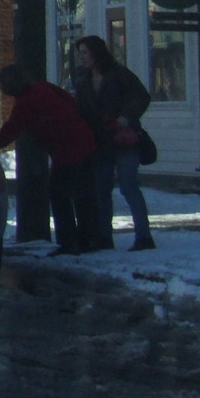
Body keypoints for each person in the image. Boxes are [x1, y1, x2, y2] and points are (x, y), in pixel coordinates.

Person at [0, 65, 103, 256]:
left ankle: (68, 242)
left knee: (59, 195)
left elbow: (9, 132)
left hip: (67, 150)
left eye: (2, 84)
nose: (1, 88)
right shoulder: (44, 88)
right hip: (84, 141)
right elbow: (69, 101)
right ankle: (89, 238)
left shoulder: (25, 103)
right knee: (84, 195)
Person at [71, 35, 154, 251]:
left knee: (129, 187)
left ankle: (144, 237)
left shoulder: (119, 74)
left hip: (123, 139)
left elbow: (141, 97)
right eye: (80, 53)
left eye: (85, 52)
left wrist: (124, 119)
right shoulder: (82, 80)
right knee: (101, 190)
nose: (82, 57)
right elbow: (81, 111)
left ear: (97, 53)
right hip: (99, 142)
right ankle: (104, 237)